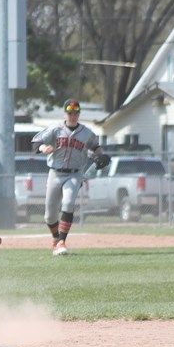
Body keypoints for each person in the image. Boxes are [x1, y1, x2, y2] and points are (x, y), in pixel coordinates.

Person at [31, 99, 103, 255]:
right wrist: (44, 148)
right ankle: (56, 238)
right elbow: (36, 143)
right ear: (65, 113)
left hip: (75, 173)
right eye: (70, 113)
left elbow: (96, 147)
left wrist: (100, 155)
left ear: (79, 114)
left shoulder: (86, 132)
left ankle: (62, 242)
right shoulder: (55, 129)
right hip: (55, 173)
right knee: (49, 215)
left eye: (75, 113)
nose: (72, 115)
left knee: (68, 203)